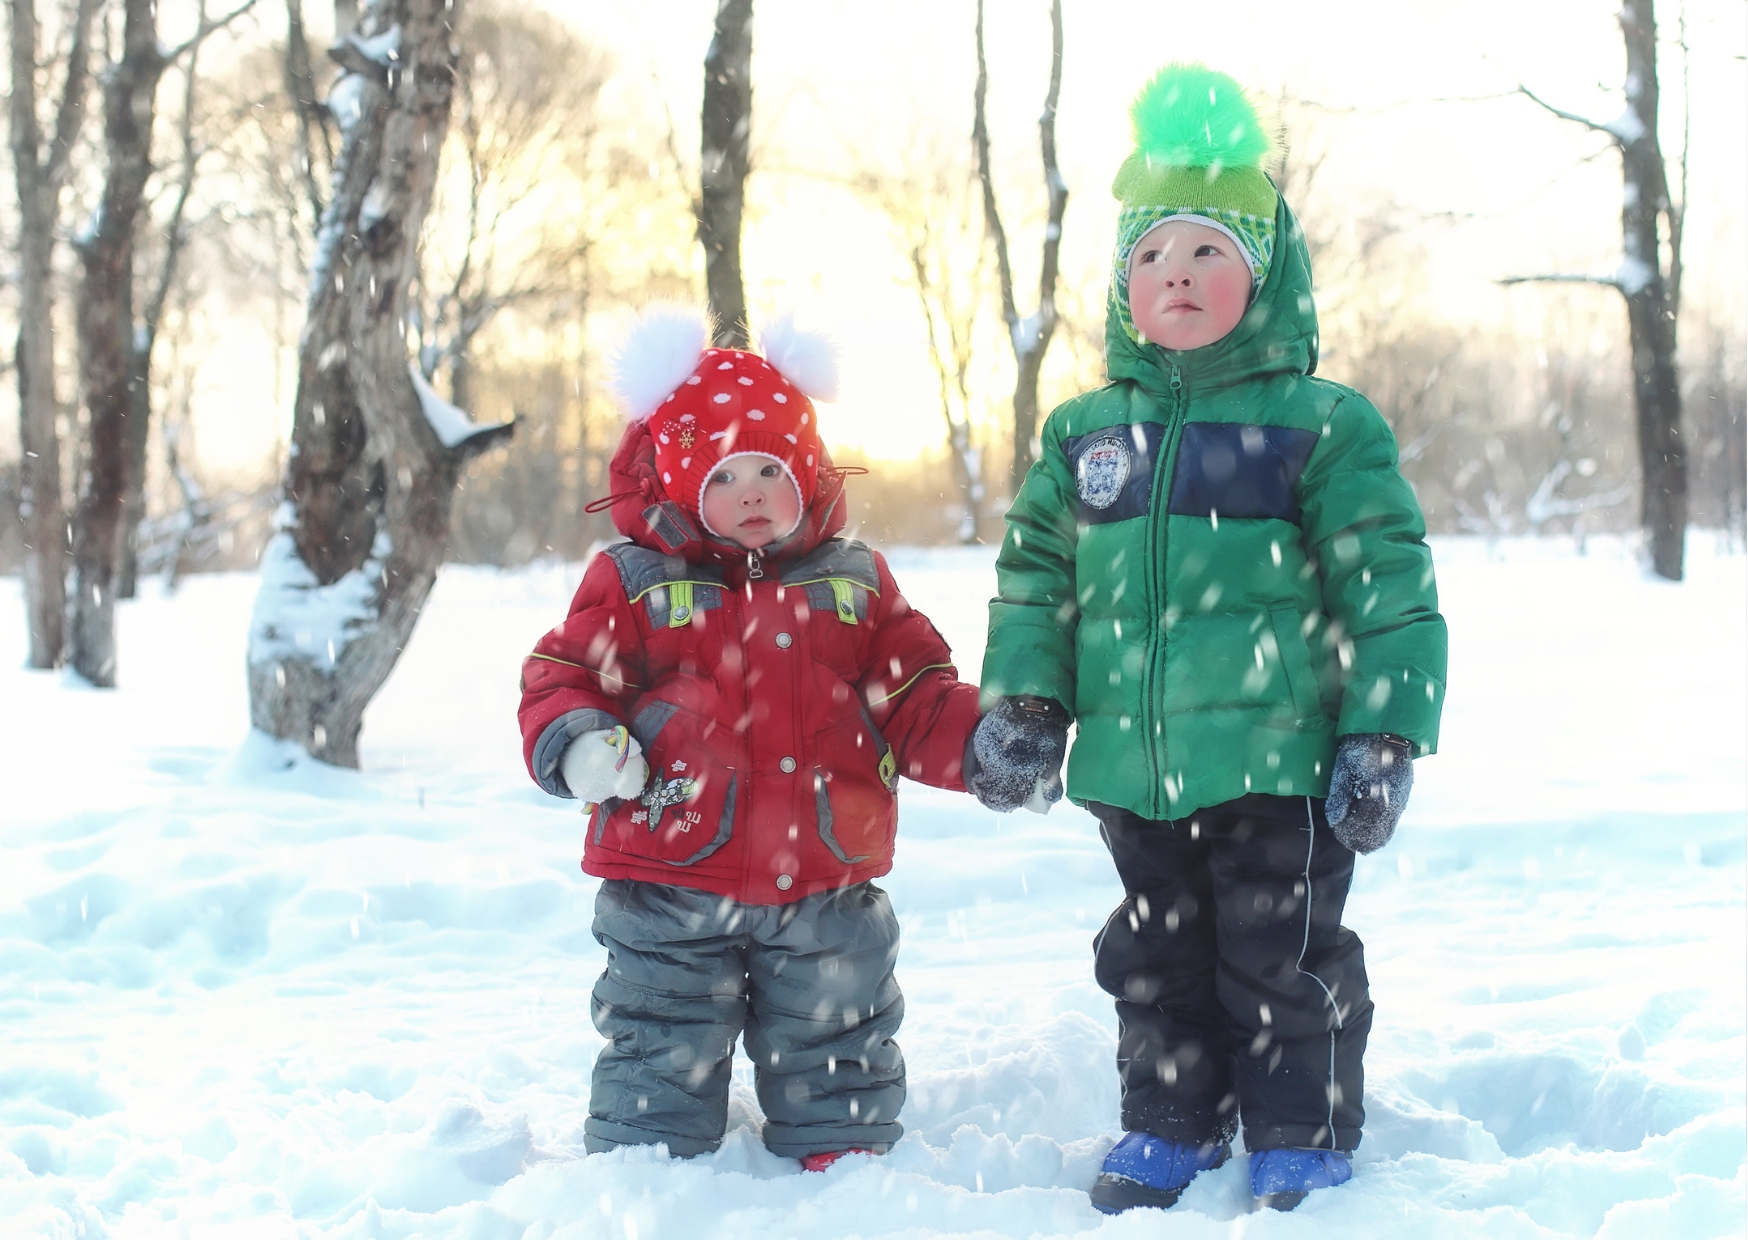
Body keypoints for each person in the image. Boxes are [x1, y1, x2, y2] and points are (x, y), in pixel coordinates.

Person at [968, 64, 1448, 1213]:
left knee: (1278, 956)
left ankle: (1300, 1125)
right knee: (1157, 956)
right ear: (1121, 285)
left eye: (1203, 255)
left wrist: (1381, 729)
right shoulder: (1083, 433)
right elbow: (1034, 581)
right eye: (1148, 257)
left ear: (1262, 274)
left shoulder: (1319, 425)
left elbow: (1386, 583)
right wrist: (1027, 703)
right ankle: (1172, 1115)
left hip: (1277, 762)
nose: (1172, 276)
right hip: (1134, 769)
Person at [519, 306, 981, 1170]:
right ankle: (650, 1163)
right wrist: (581, 741)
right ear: (683, 482)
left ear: (807, 470)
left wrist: (980, 744)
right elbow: (562, 674)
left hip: (824, 877)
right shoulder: (635, 579)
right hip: (668, 873)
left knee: (836, 1024)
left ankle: (839, 1158)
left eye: (773, 467)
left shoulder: (854, 580)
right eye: (726, 475)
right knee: (660, 1030)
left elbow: (916, 689)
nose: (755, 492)